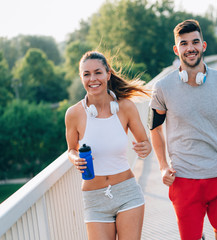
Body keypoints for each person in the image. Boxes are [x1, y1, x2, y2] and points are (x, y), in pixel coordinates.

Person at [149, 19, 217, 240]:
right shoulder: (162, 88)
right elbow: (155, 128)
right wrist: (163, 166)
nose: (190, 48)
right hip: (183, 177)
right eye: (184, 44)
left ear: (204, 45)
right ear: (177, 50)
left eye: (195, 42)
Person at [65, 51, 151, 240]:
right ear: (81, 78)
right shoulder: (73, 114)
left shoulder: (125, 107)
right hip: (94, 199)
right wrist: (75, 158)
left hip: (127, 192)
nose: (93, 79)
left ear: (108, 74)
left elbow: (145, 142)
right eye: (86, 74)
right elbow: (71, 149)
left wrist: (145, 147)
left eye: (98, 72)